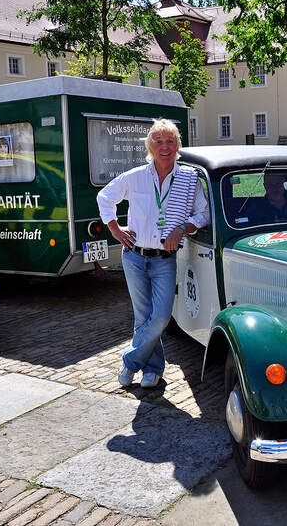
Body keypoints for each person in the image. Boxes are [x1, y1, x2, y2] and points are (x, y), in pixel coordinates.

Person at [97, 119, 209, 388]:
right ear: (150, 146)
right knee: (143, 317)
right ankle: (153, 370)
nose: (165, 147)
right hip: (134, 256)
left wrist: (182, 227)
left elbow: (204, 213)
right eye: (158, 141)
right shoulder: (135, 177)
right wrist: (114, 228)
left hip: (164, 260)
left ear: (178, 146)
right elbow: (105, 197)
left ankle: (129, 362)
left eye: (170, 141)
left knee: (160, 316)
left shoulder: (187, 179)